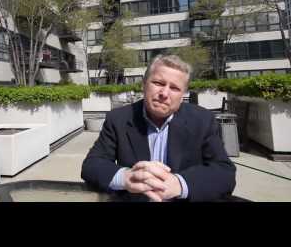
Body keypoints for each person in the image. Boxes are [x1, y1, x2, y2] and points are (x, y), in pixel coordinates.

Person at [81, 54, 236, 202]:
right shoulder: (118, 119)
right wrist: (126, 177)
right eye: (158, 83)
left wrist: (180, 184)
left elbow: (224, 172)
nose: (164, 93)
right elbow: (92, 165)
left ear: (183, 94)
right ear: (144, 84)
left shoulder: (203, 120)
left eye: (174, 88)